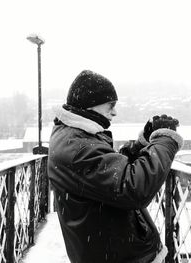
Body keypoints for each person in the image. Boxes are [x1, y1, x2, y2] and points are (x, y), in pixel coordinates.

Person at [48, 70, 183, 263]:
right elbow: (133, 187)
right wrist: (165, 140)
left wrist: (141, 146)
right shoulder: (78, 148)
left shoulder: (74, 138)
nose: (114, 112)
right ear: (90, 104)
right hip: (117, 256)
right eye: (110, 105)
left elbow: (108, 175)